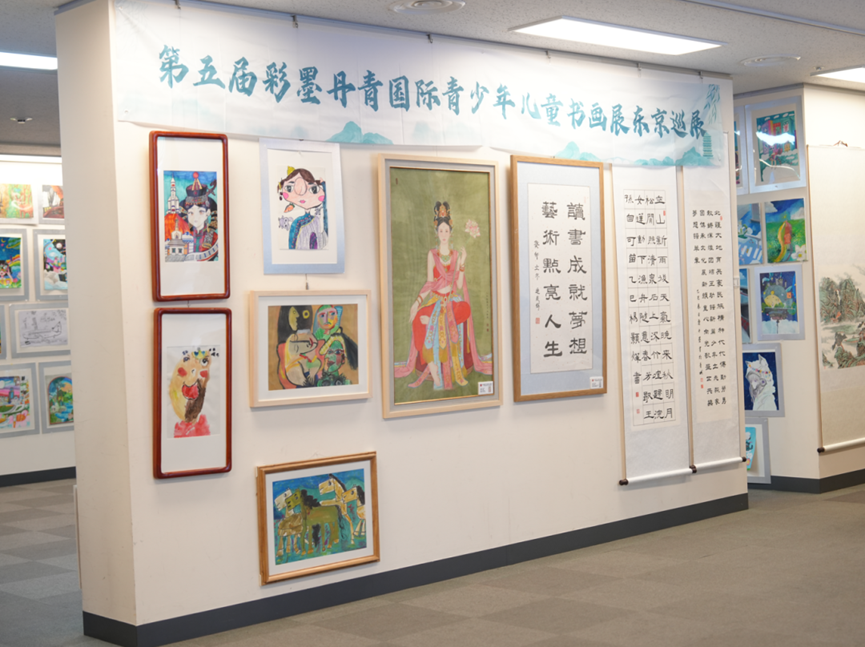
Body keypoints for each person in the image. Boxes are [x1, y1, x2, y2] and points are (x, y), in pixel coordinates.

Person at [395, 201, 491, 390]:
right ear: (437, 232)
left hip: (452, 302)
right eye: (441, 231)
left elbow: (459, 285)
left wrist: (462, 263)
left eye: (447, 230)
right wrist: (417, 302)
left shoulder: (455, 255)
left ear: (451, 232)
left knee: (465, 309)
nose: (444, 234)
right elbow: (430, 284)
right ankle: (434, 370)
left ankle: (436, 321)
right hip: (436, 300)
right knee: (418, 320)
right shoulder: (432, 255)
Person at [277, 167, 327, 250]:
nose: (302, 193)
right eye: (289, 188)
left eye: (313, 189)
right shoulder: (297, 224)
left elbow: (324, 238)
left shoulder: (315, 220)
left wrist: (324, 187)